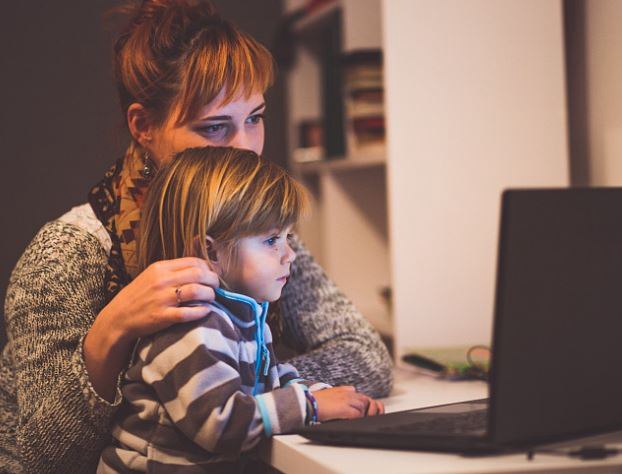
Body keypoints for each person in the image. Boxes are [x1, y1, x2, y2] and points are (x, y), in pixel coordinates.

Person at [0, 1, 392, 472]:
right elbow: (44, 461)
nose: (246, 147)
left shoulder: (252, 231)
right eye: (214, 127)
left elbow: (367, 357)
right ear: (143, 126)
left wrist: (219, 393)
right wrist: (111, 331)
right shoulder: (67, 255)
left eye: (255, 118)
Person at [97, 146, 384, 472]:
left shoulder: (244, 316)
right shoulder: (191, 326)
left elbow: (268, 378)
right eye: (271, 240)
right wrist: (311, 406)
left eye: (288, 237)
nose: (289, 254)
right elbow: (221, 424)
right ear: (211, 251)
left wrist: (318, 393)